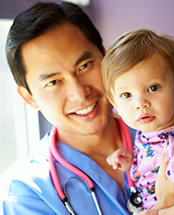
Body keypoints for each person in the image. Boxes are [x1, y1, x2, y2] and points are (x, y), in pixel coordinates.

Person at [2, 2, 139, 214]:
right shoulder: (28, 196)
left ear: (106, 57)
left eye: (84, 66)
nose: (79, 93)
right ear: (29, 98)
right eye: (53, 82)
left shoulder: (165, 135)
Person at [101, 28, 174, 215]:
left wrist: (162, 213)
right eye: (126, 95)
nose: (140, 104)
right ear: (115, 103)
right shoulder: (150, 130)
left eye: (153, 88)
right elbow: (157, 166)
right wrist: (134, 161)